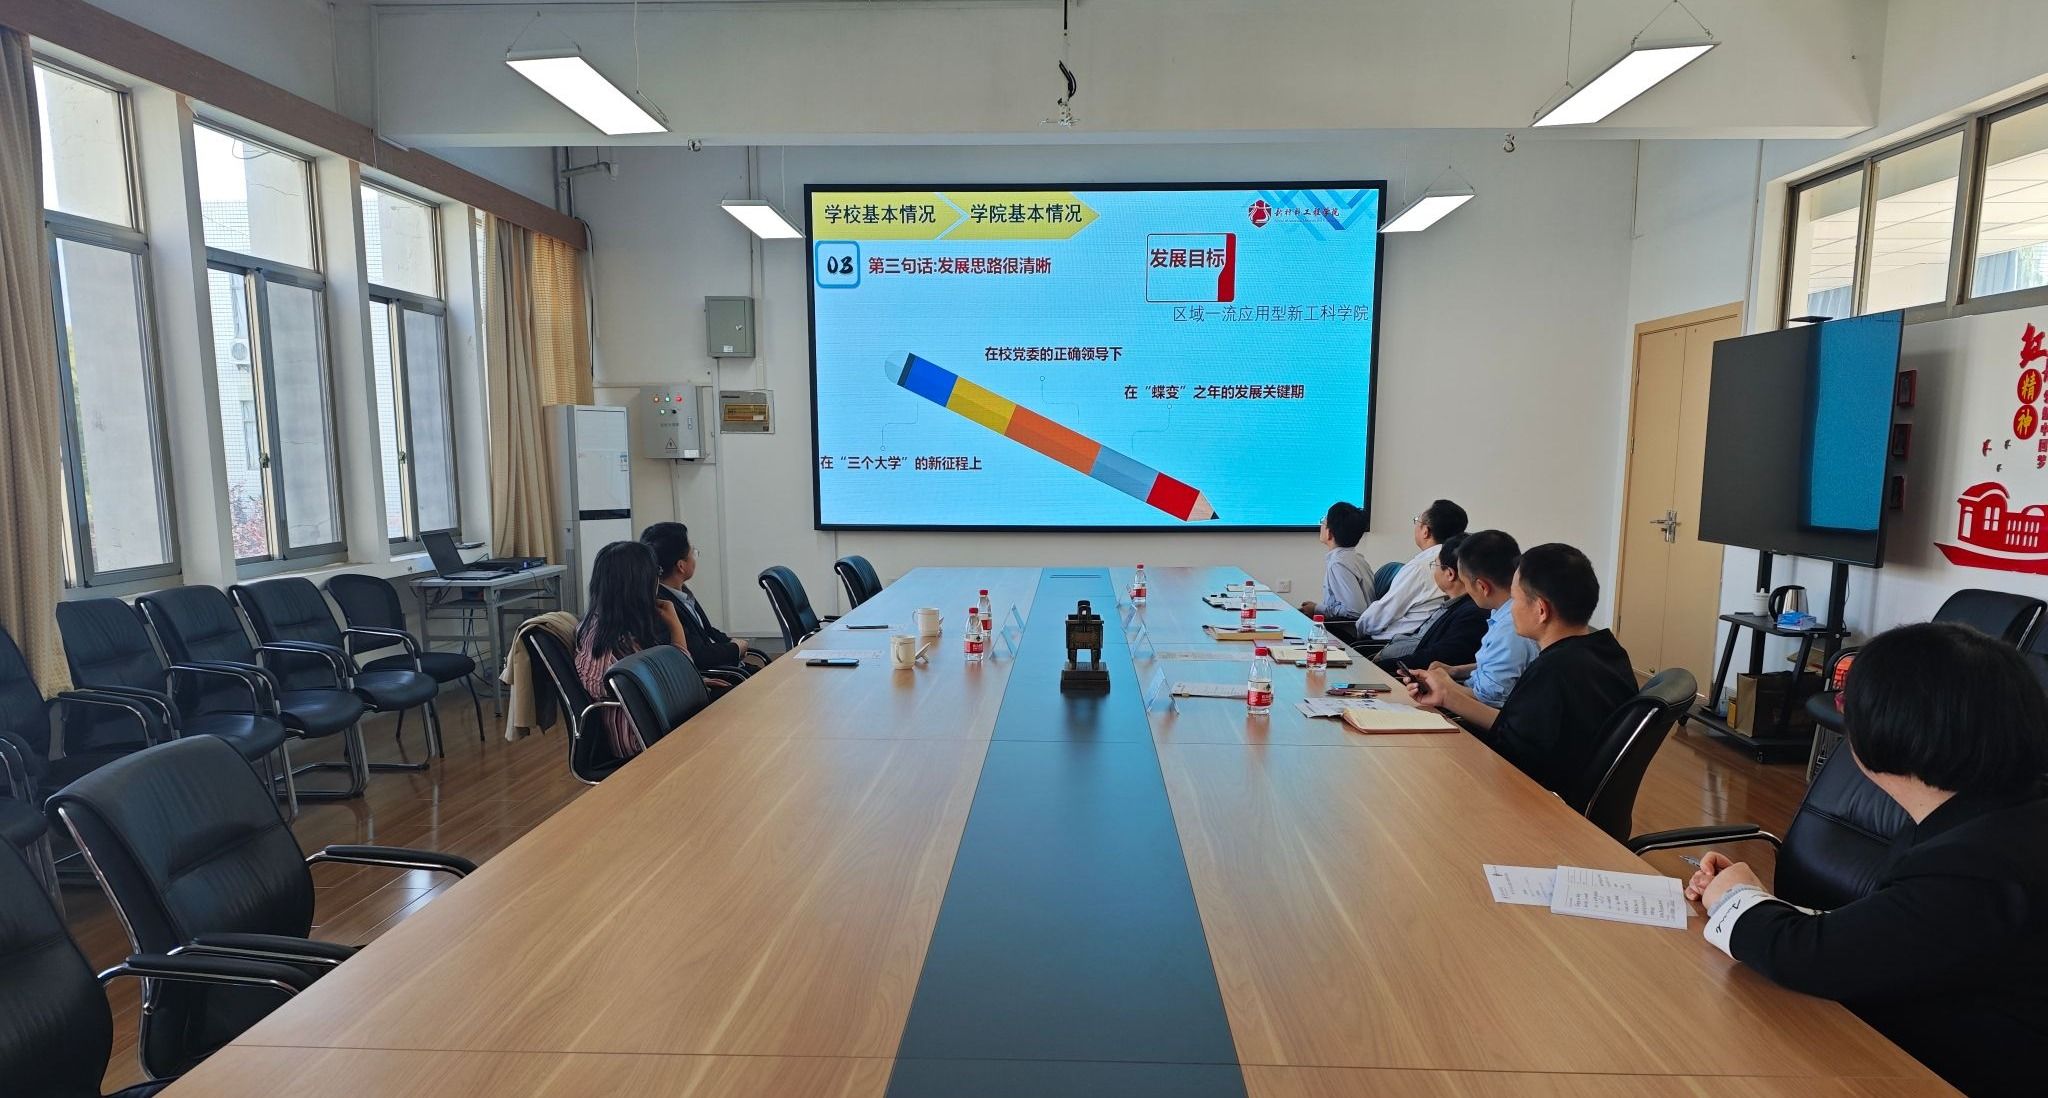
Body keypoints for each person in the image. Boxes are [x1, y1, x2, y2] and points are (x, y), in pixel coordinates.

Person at [1686, 622, 2048, 1098]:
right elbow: (1896, 931)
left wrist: (1732, 899)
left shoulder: (1975, 867)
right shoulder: (2000, 814)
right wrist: (1753, 897)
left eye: (1846, 705)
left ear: (1891, 728)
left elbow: (1812, 959)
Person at [1404, 542, 1634, 795]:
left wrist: (1449, 696)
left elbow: (1509, 747)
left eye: (1515, 598)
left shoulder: (1552, 672)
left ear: (1541, 610)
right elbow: (1513, 727)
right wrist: (1446, 696)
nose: (1510, 608)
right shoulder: (1607, 650)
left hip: (1534, 800)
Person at [573, 540, 688, 759]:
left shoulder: (608, 627)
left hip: (652, 730)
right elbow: (679, 686)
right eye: (656, 573)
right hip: (643, 743)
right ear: (641, 584)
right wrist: (676, 627)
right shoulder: (610, 647)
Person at [1410, 528, 1535, 707]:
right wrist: (1455, 671)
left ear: (1482, 587)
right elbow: (1498, 667)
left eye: (1465, 582)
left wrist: (1444, 686)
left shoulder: (1510, 629)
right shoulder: (1502, 613)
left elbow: (1488, 701)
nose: (1466, 590)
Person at [640, 521, 766, 678]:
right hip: (715, 677)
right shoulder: (663, 606)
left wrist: (731, 641)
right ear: (681, 566)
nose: (695, 556)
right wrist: (736, 648)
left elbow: (707, 632)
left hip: (729, 668)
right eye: (693, 552)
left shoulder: (682, 593)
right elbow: (698, 655)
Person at [1352, 499, 1467, 641]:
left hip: (1391, 645)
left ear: (1426, 531)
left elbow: (1383, 613)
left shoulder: (1421, 567)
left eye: (1417, 521)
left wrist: (1355, 631)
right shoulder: (1464, 561)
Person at [1375, 533, 1487, 670]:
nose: (1434, 570)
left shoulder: (1472, 614)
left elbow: (1438, 658)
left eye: (1435, 565)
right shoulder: (1454, 605)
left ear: (1449, 574)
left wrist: (1380, 667)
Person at [1299, 501, 1375, 620]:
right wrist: (1316, 608)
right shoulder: (1356, 558)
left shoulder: (1338, 564)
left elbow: (1355, 612)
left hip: (1345, 630)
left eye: (1323, 522)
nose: (1321, 525)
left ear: (1329, 533)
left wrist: (1317, 609)